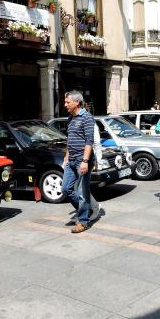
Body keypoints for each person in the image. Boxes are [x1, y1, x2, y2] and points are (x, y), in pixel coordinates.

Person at [61, 91, 96, 233]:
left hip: (82, 159)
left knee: (82, 192)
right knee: (66, 188)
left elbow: (89, 141)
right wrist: (66, 156)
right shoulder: (70, 118)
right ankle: (85, 210)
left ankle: (83, 221)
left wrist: (85, 161)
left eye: (67, 102)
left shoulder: (87, 117)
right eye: (65, 102)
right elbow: (70, 140)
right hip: (71, 160)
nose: (65, 105)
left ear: (77, 102)